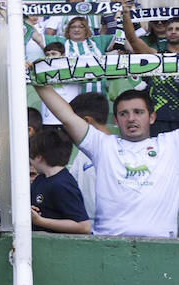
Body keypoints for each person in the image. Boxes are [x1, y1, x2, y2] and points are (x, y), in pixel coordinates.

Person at [34, 87, 178, 239]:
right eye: (124, 114)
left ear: (152, 117)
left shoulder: (171, 144)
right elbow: (67, 117)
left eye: (138, 112)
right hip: (107, 246)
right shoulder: (102, 145)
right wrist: (38, 83)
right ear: (116, 120)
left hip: (161, 247)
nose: (131, 118)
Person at [120, 9, 179, 133]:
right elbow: (133, 39)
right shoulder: (154, 57)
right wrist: (126, 15)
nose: (173, 32)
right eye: (170, 29)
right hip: (159, 119)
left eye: (177, 29)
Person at [29, 130, 91, 234]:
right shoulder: (40, 179)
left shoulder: (62, 184)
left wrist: (40, 221)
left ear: (39, 157)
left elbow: (84, 227)